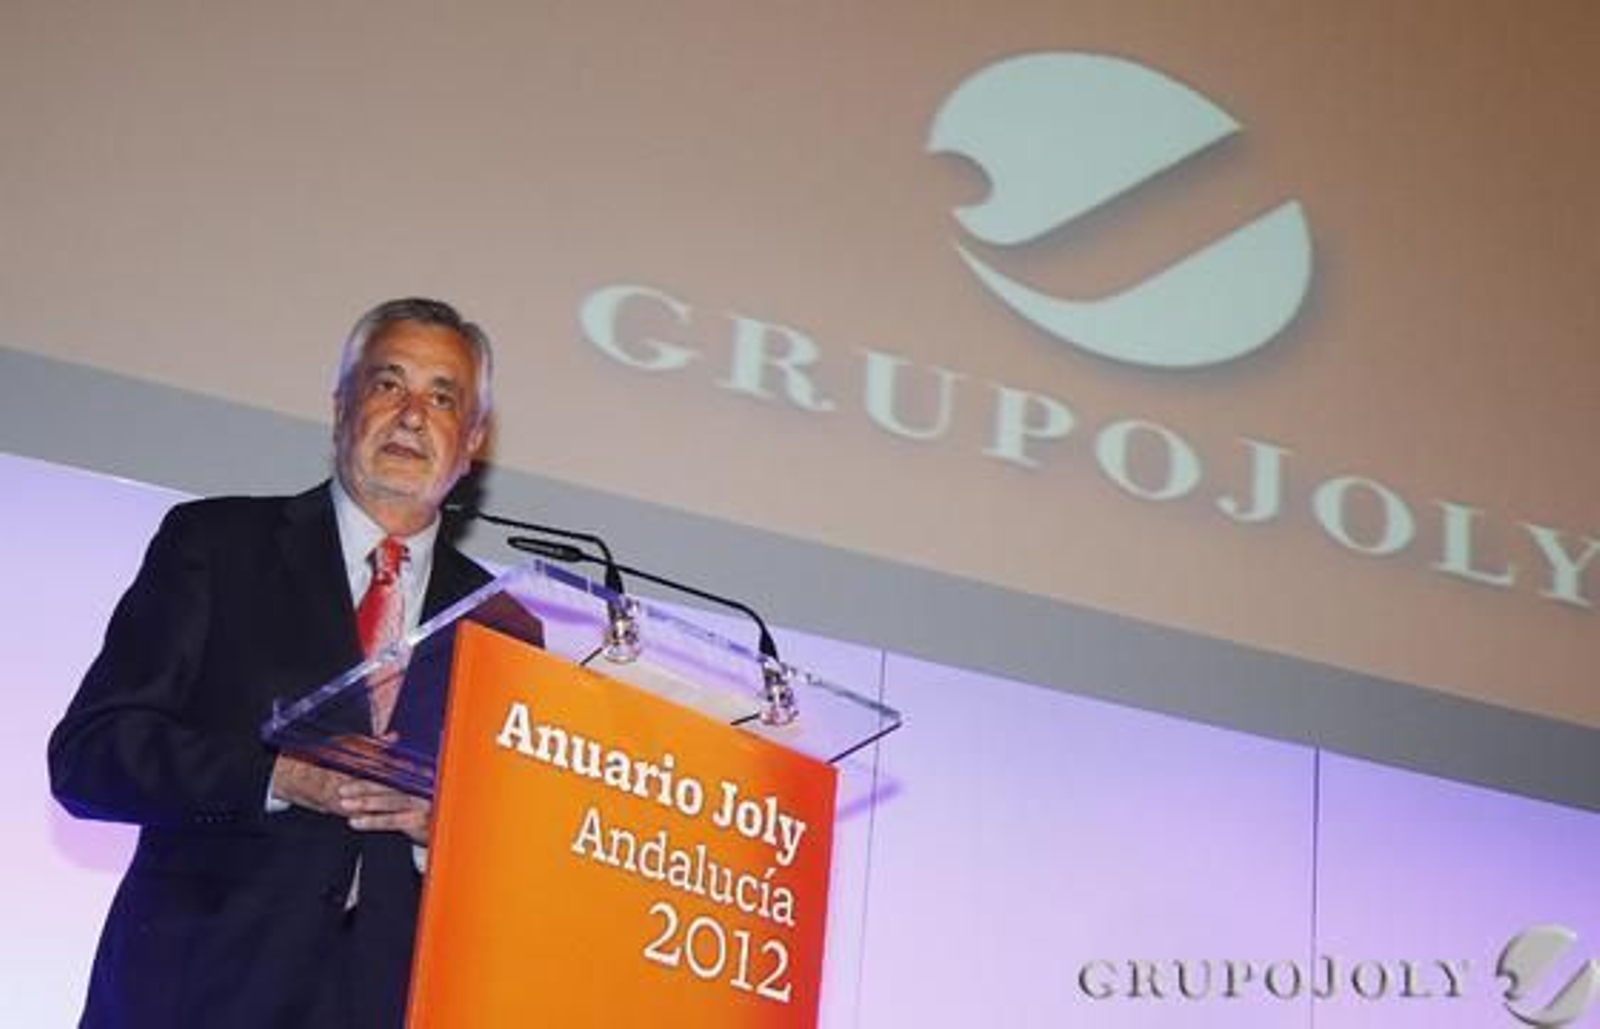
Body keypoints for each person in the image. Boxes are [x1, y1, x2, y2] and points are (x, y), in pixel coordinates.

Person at [48, 297, 498, 1027]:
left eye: (443, 397)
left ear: (473, 438)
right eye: (389, 384)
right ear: (340, 406)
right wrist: (278, 777)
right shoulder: (217, 545)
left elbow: (510, 864)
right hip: (195, 992)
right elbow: (91, 756)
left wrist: (439, 829)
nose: (414, 414)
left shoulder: (500, 623)